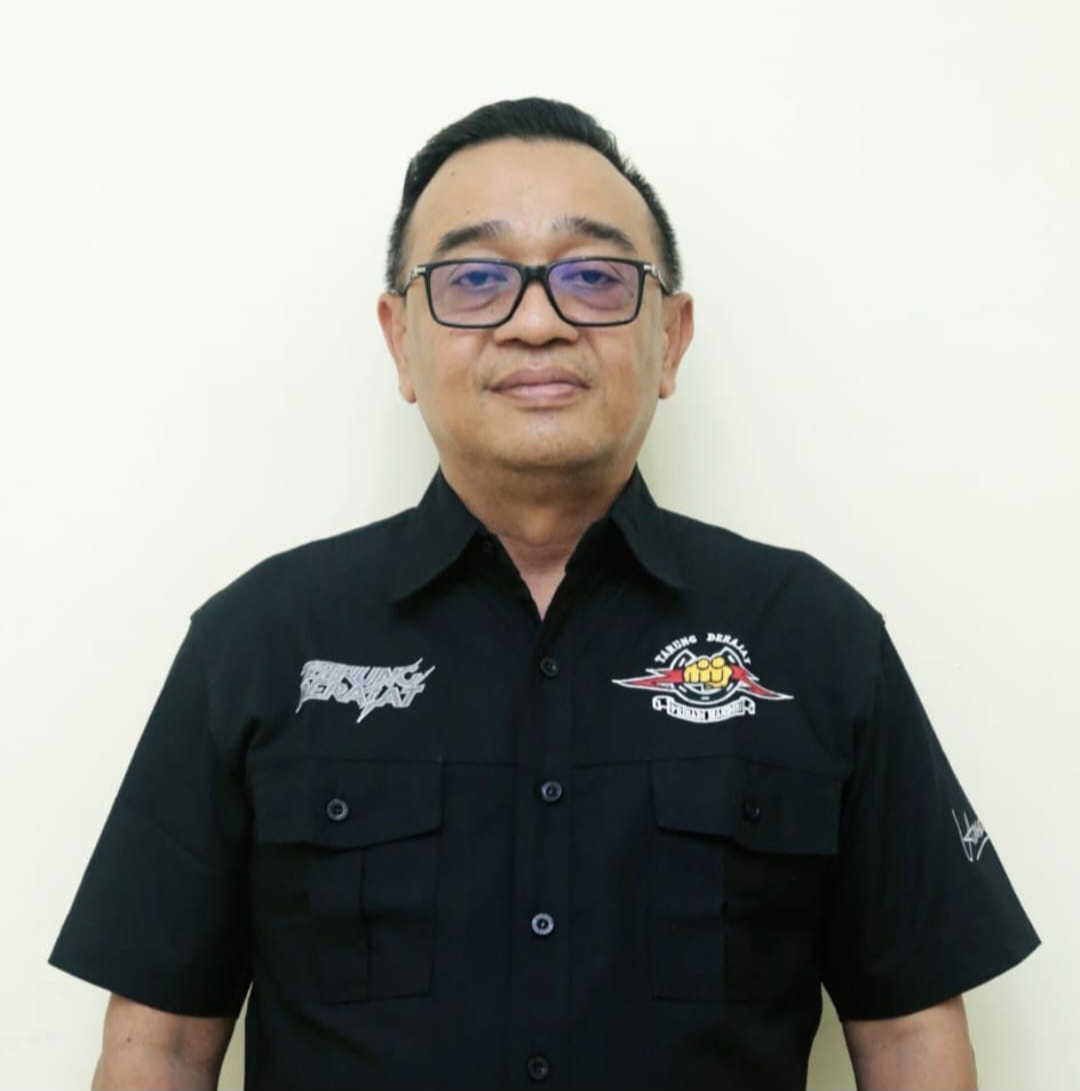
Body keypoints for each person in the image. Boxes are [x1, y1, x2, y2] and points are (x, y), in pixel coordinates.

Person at [50, 97, 1039, 1091]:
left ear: (672, 338)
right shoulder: (259, 641)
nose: (536, 322)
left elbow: (909, 1034)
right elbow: (161, 1043)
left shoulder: (815, 639)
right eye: (475, 279)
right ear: (400, 339)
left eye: (594, 277)